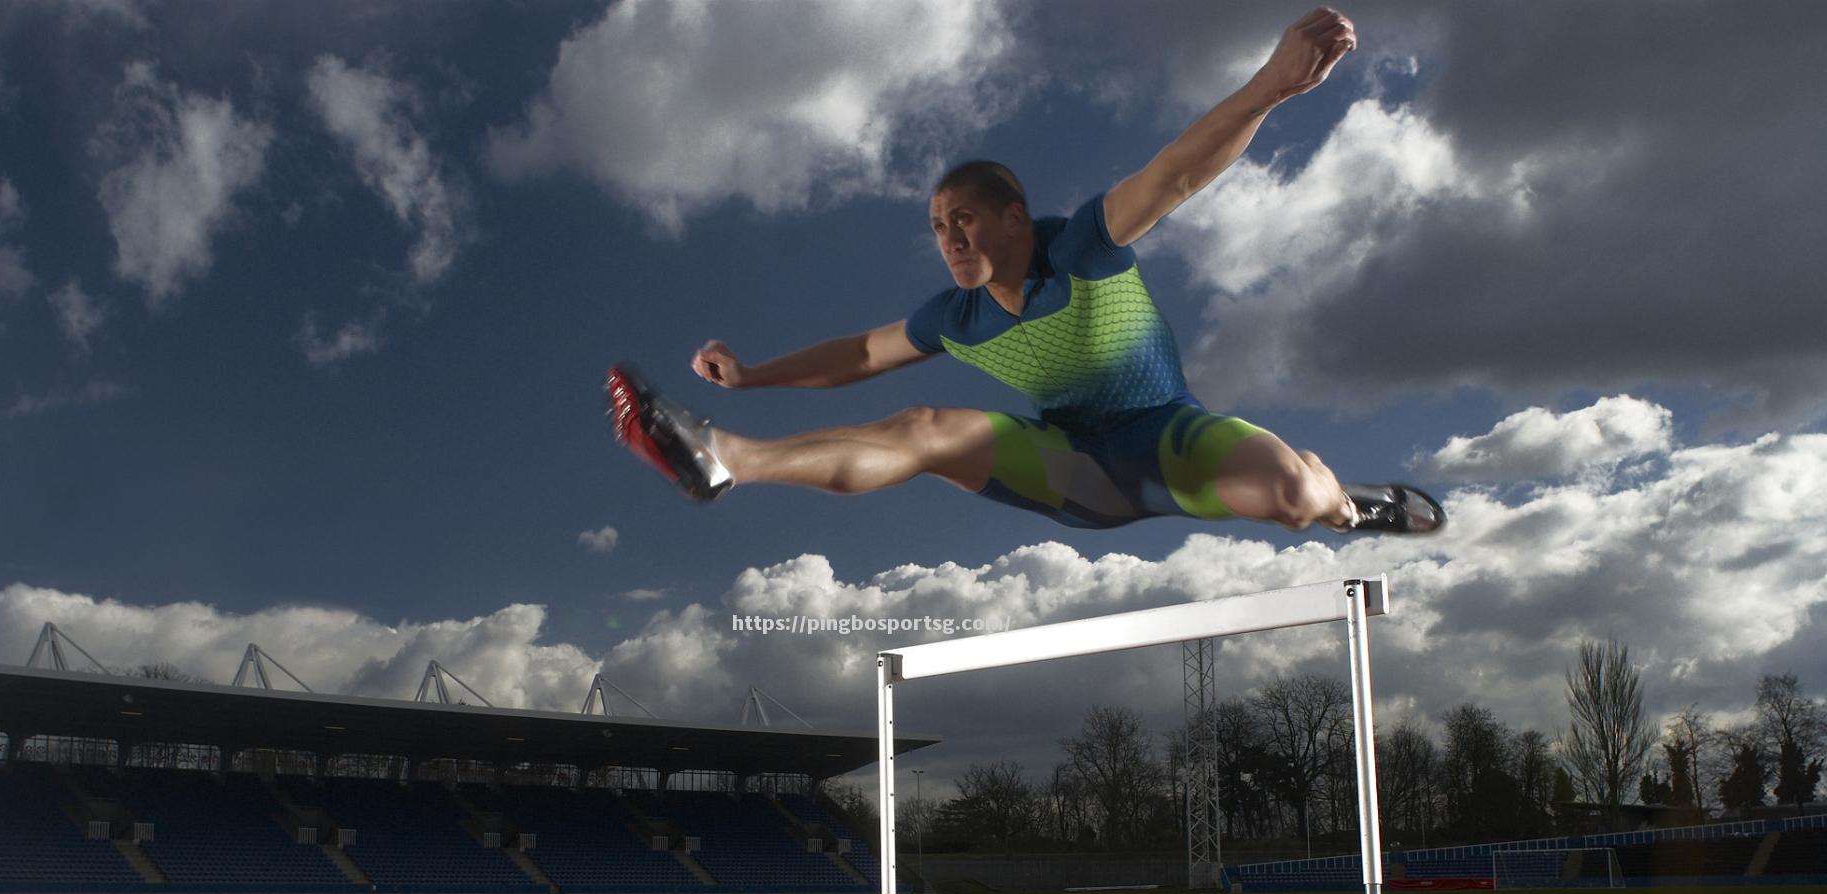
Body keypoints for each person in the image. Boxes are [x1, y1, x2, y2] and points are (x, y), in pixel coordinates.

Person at [606, 7, 1442, 536]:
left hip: (1171, 439)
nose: (948, 237)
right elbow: (857, 358)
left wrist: (1269, 87)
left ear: (1014, 216)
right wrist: (748, 378)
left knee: (1298, 494)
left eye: (962, 218)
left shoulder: (1080, 249)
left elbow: (1175, 175)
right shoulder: (956, 317)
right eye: (936, 226)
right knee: (926, 428)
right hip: (1073, 470)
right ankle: (725, 457)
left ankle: (1354, 506)